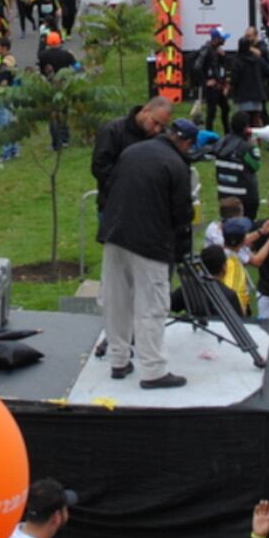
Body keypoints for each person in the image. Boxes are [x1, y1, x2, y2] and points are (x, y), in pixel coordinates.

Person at [95, 119, 198, 390]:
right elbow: (182, 214)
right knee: (151, 305)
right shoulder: (176, 166)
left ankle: (118, 360)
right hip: (149, 243)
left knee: (116, 300)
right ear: (186, 143)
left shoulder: (132, 151)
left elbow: (108, 185)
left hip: (114, 235)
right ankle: (152, 370)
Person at [89, 98, 172, 212]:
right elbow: (100, 167)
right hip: (115, 207)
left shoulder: (162, 137)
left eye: (162, 126)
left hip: (150, 208)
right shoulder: (113, 130)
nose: (157, 129)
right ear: (145, 111)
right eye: (155, 122)